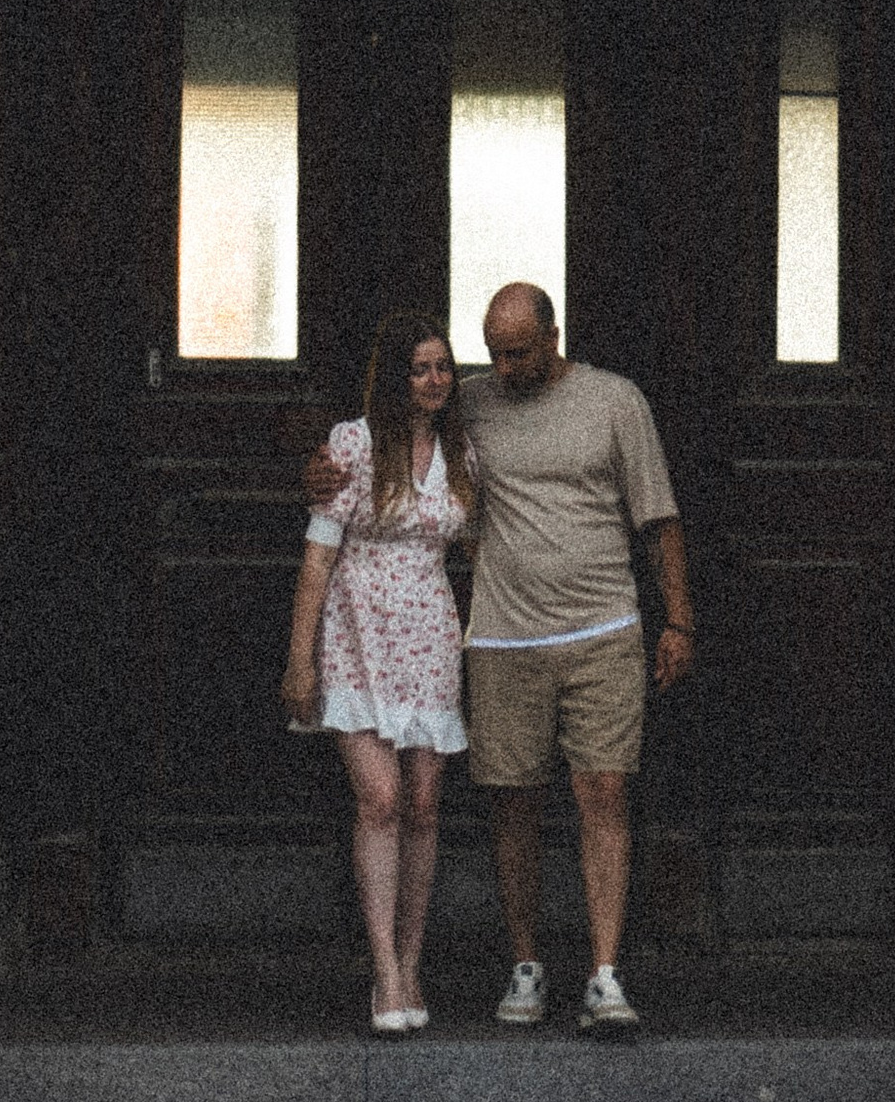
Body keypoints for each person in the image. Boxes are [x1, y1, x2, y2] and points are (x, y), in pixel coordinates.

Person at [312, 280, 693, 1032]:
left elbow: (659, 517)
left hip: (603, 627)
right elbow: (388, 429)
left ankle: (605, 974)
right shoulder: (471, 404)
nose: (502, 368)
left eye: (517, 353)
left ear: (554, 337)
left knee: (603, 795)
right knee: (512, 800)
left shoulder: (616, 402)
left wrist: (677, 621)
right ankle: (526, 964)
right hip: (503, 635)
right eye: (491, 354)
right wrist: (316, 471)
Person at [281, 314, 477, 1032]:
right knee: (381, 797)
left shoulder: (462, 453)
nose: (434, 381)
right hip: (357, 631)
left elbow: (478, 549)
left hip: (428, 633)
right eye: (420, 369)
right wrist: (299, 660)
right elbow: (319, 556)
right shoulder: (353, 446)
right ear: (396, 378)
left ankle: (414, 961)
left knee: (425, 804)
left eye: (443, 368)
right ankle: (384, 971)